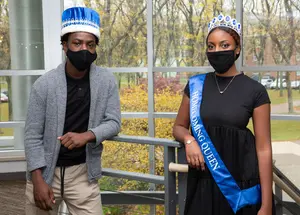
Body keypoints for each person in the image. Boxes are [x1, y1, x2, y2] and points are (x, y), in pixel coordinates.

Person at [173, 14, 275, 215]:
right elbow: (178, 126)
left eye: (224, 45)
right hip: (202, 183)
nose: (217, 51)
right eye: (211, 47)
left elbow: (263, 149)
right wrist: (189, 140)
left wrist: (266, 205)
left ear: (237, 49)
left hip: (239, 187)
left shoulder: (255, 91)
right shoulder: (195, 86)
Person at [24, 5, 121, 215]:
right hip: (46, 173)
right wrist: (37, 179)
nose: (84, 50)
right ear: (65, 46)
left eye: (90, 44)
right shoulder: (44, 85)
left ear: (96, 48)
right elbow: (32, 136)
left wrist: (86, 136)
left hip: (83, 174)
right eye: (77, 43)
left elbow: (114, 122)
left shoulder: (106, 81)